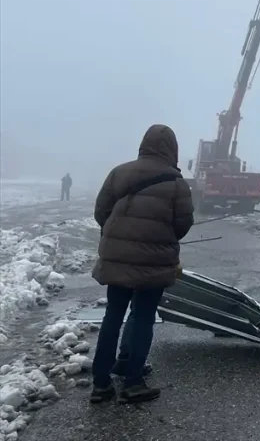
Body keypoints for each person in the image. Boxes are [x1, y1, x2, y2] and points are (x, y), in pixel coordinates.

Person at [90, 124, 193, 405]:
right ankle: (132, 382)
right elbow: (183, 224)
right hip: (153, 261)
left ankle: (101, 384)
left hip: (117, 257)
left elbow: (101, 212)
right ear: (172, 150)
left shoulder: (118, 173)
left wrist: (120, 235)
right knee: (144, 316)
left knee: (113, 315)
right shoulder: (176, 183)